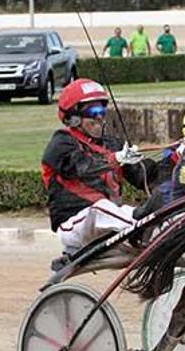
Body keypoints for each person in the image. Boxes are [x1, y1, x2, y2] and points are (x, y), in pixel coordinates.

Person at [41, 78, 156, 254]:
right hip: (74, 226)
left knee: (145, 211)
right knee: (101, 208)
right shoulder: (61, 143)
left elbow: (145, 177)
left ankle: (152, 230)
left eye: (102, 110)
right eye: (93, 110)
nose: (100, 116)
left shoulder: (111, 144)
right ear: (74, 118)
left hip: (109, 223)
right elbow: (83, 167)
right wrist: (116, 158)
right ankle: (140, 229)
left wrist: (178, 157)